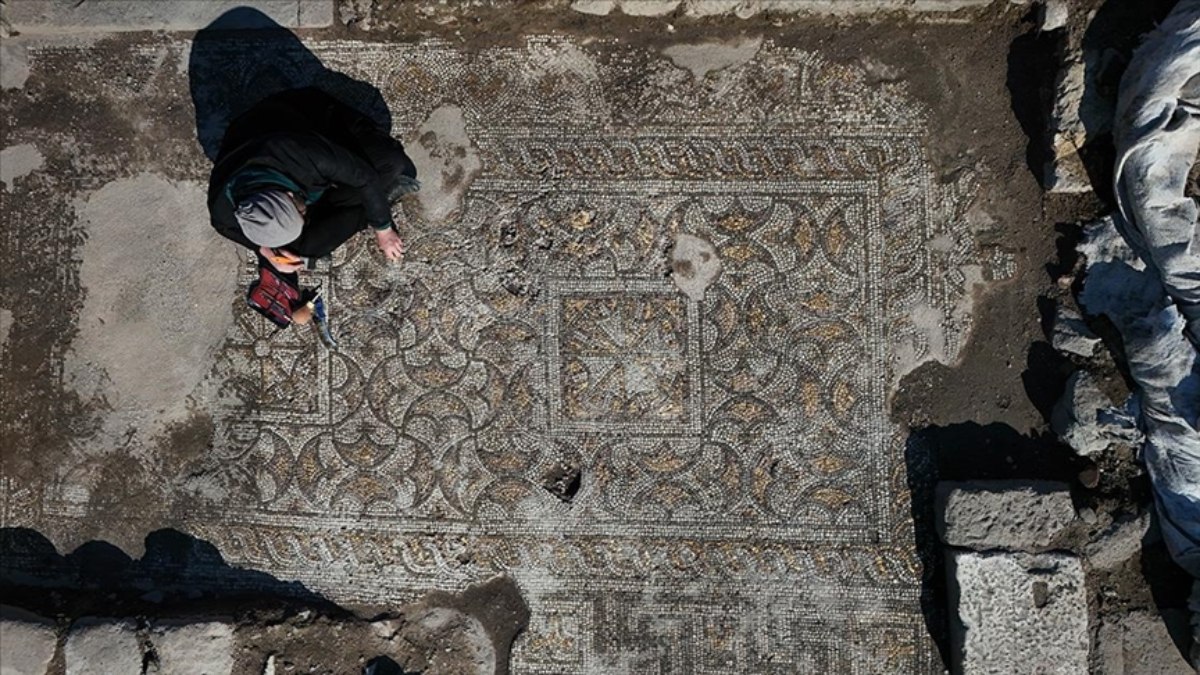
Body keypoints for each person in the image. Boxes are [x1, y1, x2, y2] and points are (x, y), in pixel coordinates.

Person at [207, 87, 418, 273]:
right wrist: (266, 252)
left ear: (289, 195)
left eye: (301, 213)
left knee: (390, 163)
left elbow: (363, 175)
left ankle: (375, 206)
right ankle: (369, 208)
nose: (306, 216)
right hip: (301, 179)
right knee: (295, 251)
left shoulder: (305, 155)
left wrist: (384, 230)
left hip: (319, 126)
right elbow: (223, 226)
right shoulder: (222, 206)